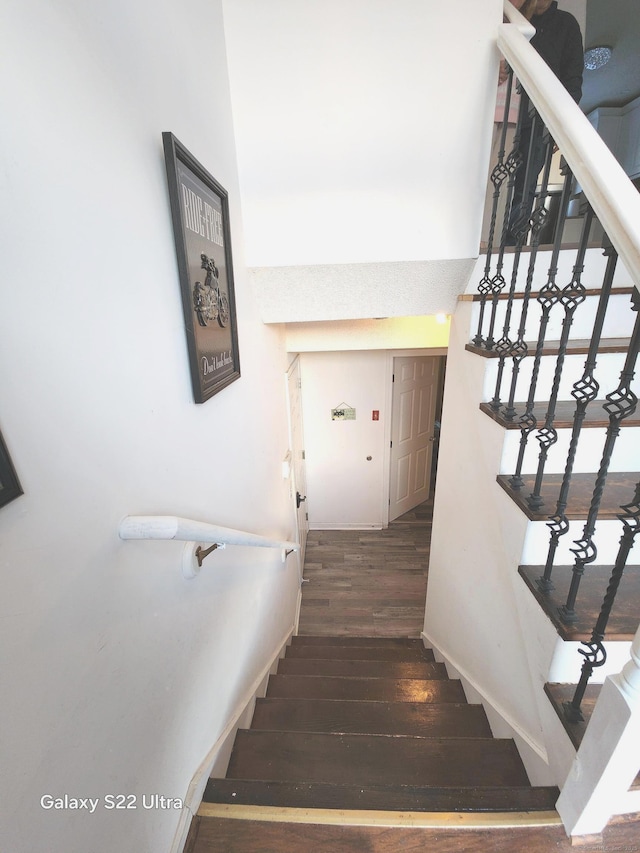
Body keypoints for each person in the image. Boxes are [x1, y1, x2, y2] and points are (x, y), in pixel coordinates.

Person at [506, 0, 584, 244]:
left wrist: (560, 127)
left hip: (539, 121)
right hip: (506, 110)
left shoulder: (565, 24)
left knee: (523, 186)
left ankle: (511, 244)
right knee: (497, 178)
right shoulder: (514, 18)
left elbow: (572, 81)